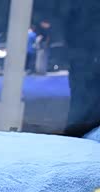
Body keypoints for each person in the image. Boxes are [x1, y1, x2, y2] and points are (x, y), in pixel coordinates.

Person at [60, 1, 100, 137]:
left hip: (82, 61)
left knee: (81, 99)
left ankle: (75, 130)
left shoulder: (79, 11)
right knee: (82, 99)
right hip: (83, 62)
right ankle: (76, 130)